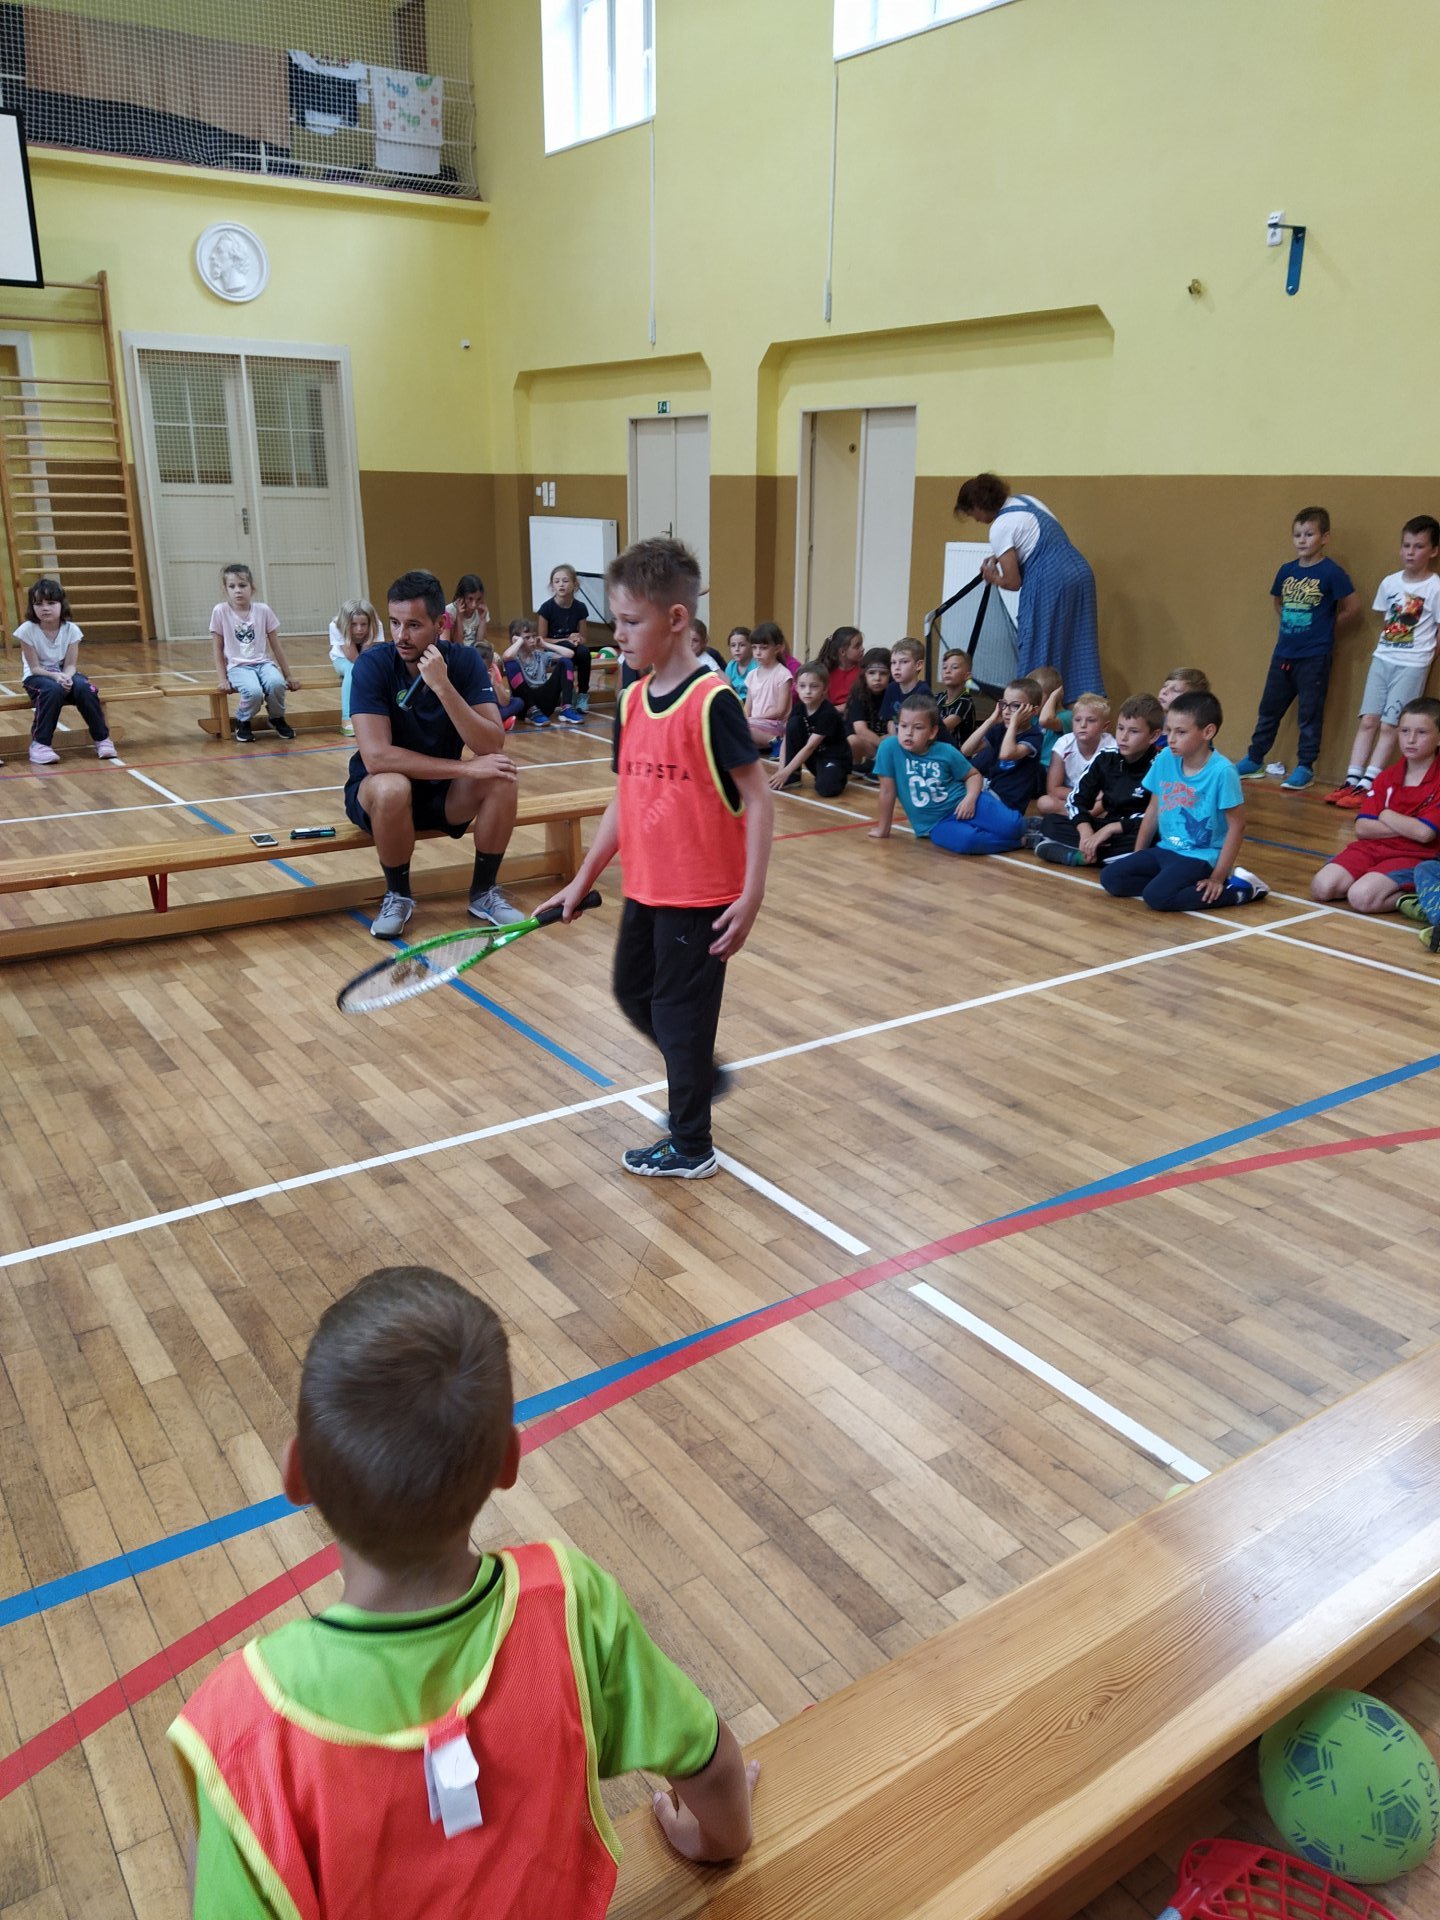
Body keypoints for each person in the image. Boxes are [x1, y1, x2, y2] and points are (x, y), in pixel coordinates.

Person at [169, 1266, 758, 1920]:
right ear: (508, 1463)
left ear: (297, 1475)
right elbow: (710, 1763)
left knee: (210, 1833)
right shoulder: (571, 1603)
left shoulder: (243, 1728)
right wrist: (717, 1841)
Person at [542, 537, 773, 1180]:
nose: (616, 634)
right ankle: (698, 1071)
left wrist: (751, 894)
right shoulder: (630, 699)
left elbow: (759, 799)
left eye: (629, 621)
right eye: (615, 620)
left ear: (676, 619)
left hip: (701, 898)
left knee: (678, 1016)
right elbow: (626, 797)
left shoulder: (712, 702)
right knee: (631, 992)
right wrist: (581, 879)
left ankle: (691, 1146)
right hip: (645, 888)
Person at [345, 569, 521, 940]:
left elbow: (491, 743)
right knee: (392, 786)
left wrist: (443, 687)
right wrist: (463, 769)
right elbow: (377, 758)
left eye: (413, 625)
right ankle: (398, 895)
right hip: (380, 793)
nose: (400, 636)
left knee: (501, 774)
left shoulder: (465, 662)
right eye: (394, 623)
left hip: (442, 793)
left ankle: (484, 893)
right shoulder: (372, 665)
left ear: (440, 624)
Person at [1100, 690, 1268, 911]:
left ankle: (1239, 890)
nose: (1171, 739)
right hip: (1166, 850)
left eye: (1180, 732)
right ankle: (1175, 886)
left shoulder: (1223, 771)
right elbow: (1153, 811)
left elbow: (1237, 827)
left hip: (1201, 857)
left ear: (1208, 731)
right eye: (1169, 730)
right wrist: (1139, 855)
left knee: (1156, 897)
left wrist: (1217, 877)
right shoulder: (1165, 758)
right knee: (1111, 878)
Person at [1234, 508, 1359, 792]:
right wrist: (1291, 621)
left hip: (1314, 656)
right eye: (1297, 535)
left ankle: (1305, 766)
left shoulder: (1331, 572)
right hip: (1284, 653)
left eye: (1309, 534)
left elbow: (1353, 607)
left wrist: (1325, 628)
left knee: (1309, 713)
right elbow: (1277, 601)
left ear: (1325, 537)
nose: (1302, 540)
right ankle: (1255, 759)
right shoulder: (1287, 571)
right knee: (1269, 709)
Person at [1327, 517, 1440, 807]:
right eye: (1406, 545)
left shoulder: (1435, 587)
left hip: (1412, 664)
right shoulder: (1390, 582)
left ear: (1433, 551)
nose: (1410, 552)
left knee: (1391, 725)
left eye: (1419, 546)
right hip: (1383, 658)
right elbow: (1386, 619)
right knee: (1369, 720)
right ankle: (1351, 780)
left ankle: (1369, 785)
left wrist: (1426, 656)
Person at [954, 472, 1103, 693]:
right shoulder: (1027, 500)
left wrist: (992, 577)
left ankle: (1031, 708)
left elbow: (1013, 582)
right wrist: (1000, 555)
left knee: (1037, 648)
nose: (975, 519)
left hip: (1050, 581)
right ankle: (1082, 708)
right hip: (1079, 572)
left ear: (978, 505)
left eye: (972, 513)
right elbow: (1035, 539)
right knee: (1078, 651)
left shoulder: (1000, 527)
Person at [1310, 698, 1440, 914]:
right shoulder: (1386, 777)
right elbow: (1363, 829)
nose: (1411, 739)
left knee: (1362, 898)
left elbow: (1424, 834)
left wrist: (1386, 814)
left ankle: (1420, 897)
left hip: (1415, 855)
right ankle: (1375, 880)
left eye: (1422, 733)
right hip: (1371, 848)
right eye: (1404, 731)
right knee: (1322, 888)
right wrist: (1410, 826)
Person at [1028, 693, 1164, 866]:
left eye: (1134, 731)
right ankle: (1097, 854)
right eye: (1120, 728)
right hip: (1106, 827)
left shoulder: (1161, 765)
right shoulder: (1106, 757)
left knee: (1153, 839)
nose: (1123, 737)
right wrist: (1086, 831)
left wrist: (1110, 829)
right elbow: (1077, 800)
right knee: (1050, 823)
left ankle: (1079, 855)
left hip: (1132, 830)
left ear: (1153, 736)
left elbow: (1156, 816)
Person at [869, 691, 996, 853]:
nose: (908, 733)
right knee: (969, 840)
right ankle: (1019, 841)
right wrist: (883, 829)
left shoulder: (945, 750)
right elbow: (887, 791)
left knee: (1012, 826)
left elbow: (972, 774)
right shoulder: (889, 748)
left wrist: (970, 799)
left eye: (917, 728)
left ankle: (1019, 835)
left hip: (964, 803)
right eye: (903, 726)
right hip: (936, 823)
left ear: (932, 732)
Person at [15, 576, 115, 764]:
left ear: (62, 605)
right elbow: (35, 668)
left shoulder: (72, 630)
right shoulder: (26, 630)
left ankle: (102, 739)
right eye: (38, 604)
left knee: (85, 688)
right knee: (52, 690)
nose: (45, 608)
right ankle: (40, 745)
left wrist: (66, 677)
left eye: (51, 603)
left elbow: (70, 665)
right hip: (38, 677)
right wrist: (55, 676)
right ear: (32, 607)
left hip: (64, 674)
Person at [211, 564, 298, 745]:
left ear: (252, 587)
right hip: (238, 667)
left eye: (242, 585)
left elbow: (276, 646)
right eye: (232, 586)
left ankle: (276, 718)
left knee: (277, 684)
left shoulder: (263, 610)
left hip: (263, 664)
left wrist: (288, 675)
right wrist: (222, 678)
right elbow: (217, 649)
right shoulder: (220, 611)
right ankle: (242, 720)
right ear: (225, 589)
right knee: (253, 692)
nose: (238, 590)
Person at [958, 676, 1047, 848]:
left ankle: (1024, 834)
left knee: (968, 818)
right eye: (1004, 704)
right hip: (990, 792)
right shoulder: (999, 729)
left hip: (1008, 803)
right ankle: (1025, 827)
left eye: (1015, 706)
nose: (1006, 711)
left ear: (1033, 711)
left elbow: (1007, 754)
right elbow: (966, 750)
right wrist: (991, 720)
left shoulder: (1034, 736)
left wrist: (1013, 724)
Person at [1029, 692, 1116, 826]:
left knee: (1115, 808)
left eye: (1091, 720)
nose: (1083, 725)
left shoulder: (1112, 748)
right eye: (1077, 720)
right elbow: (1053, 789)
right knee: (1044, 803)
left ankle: (1079, 819)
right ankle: (1084, 819)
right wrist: (1085, 797)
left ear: (1104, 726)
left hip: (1099, 804)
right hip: (1073, 797)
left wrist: (1092, 808)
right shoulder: (1063, 744)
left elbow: (1110, 792)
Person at [770, 661, 851, 797]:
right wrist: (782, 770)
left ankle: (836, 774)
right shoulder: (799, 708)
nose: (807, 691)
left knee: (827, 789)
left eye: (814, 686)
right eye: (802, 686)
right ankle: (793, 776)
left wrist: (785, 772)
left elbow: (810, 746)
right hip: (814, 757)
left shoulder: (828, 713)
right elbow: (786, 739)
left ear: (824, 689)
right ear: (796, 687)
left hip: (833, 757)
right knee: (793, 724)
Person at [504, 617, 583, 727]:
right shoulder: (513, 657)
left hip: (545, 702)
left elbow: (570, 654)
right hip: (525, 705)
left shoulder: (540, 655)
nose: (532, 640)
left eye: (534, 636)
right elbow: (507, 656)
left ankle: (567, 708)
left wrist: (545, 644)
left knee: (566, 662)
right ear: (516, 639)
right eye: (527, 637)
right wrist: (519, 642)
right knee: (511, 665)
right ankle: (532, 712)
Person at [538, 563, 594, 714]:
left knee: (584, 652)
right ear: (552, 586)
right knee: (569, 650)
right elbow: (542, 640)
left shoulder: (580, 607)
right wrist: (566, 640)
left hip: (572, 648)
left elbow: (584, 638)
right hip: (553, 649)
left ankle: (583, 695)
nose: (561, 584)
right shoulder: (546, 608)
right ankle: (569, 692)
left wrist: (577, 639)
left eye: (565, 581)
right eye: (557, 581)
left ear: (575, 584)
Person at [328, 597, 381, 738]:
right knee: (353, 669)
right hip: (342, 659)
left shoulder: (377, 625)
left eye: (364, 624)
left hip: (367, 658)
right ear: (346, 623)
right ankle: (346, 718)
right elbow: (352, 657)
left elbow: (369, 653)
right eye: (353, 624)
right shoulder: (335, 625)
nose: (359, 629)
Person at [743, 625, 794, 750]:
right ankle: (765, 744)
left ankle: (778, 743)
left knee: (743, 728)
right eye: (754, 647)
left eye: (763, 648)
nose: (757, 652)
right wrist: (744, 718)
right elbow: (747, 706)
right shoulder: (751, 675)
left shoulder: (782, 674)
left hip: (775, 724)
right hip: (755, 724)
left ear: (778, 648)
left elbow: (780, 711)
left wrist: (752, 719)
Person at [845, 646, 893, 776]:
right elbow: (861, 730)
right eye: (872, 673)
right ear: (864, 674)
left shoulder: (893, 693)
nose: (877, 678)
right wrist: (884, 748)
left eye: (883, 673)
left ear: (890, 674)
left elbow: (894, 730)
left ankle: (876, 764)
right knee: (853, 740)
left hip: (880, 741)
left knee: (895, 736)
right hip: (864, 742)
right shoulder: (858, 694)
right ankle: (860, 764)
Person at [880, 637, 930, 731]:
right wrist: (894, 738)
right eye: (893, 662)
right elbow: (891, 720)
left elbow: (921, 729)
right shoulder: (892, 688)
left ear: (918, 665)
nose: (896, 667)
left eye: (904, 662)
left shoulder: (923, 692)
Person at [935, 648, 977, 753]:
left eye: (954, 667)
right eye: (944, 667)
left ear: (967, 676)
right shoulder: (938, 697)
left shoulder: (965, 702)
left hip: (957, 754)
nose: (947, 671)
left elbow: (942, 728)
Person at [818, 626, 864, 710]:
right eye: (857, 646)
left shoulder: (863, 670)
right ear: (843, 652)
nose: (862, 649)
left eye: (861, 644)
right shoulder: (826, 672)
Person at [441, 573, 489, 648]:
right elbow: (458, 644)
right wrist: (459, 618)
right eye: (470, 599)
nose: (474, 605)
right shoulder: (450, 611)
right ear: (461, 596)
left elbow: (480, 643)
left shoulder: (481, 610)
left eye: (478, 599)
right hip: (459, 650)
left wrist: (482, 619)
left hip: (474, 649)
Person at [725, 625, 756, 701]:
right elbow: (728, 689)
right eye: (733, 645)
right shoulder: (731, 666)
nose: (737, 649)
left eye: (742, 645)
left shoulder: (756, 666)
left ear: (751, 647)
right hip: (736, 702)